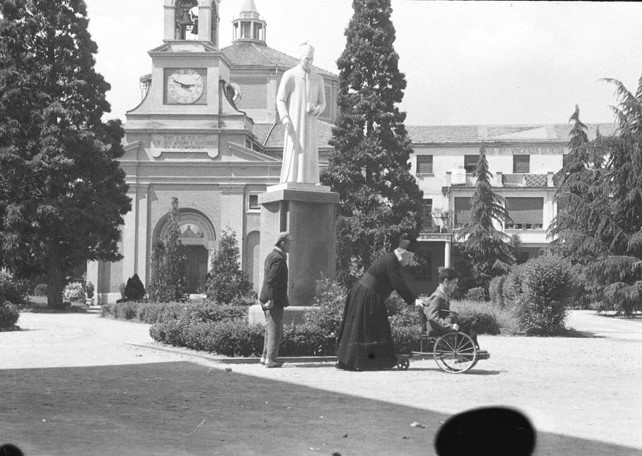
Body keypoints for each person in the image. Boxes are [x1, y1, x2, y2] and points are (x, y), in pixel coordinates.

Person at [336, 234, 425, 371]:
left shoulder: (390, 260)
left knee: (362, 328)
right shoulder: (391, 261)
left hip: (365, 294)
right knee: (372, 328)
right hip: (368, 296)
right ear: (403, 254)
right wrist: (414, 300)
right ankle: (366, 362)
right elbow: (398, 283)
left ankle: (351, 360)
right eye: (410, 257)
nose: (410, 261)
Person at [276, 41, 326, 184]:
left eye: (311, 60)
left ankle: (310, 180)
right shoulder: (290, 75)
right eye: (306, 59)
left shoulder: (318, 79)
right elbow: (280, 99)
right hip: (294, 121)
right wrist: (285, 117)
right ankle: (292, 179)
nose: (309, 62)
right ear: (300, 58)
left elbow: (323, 103)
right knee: (295, 148)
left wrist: (318, 109)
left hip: (310, 123)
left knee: (309, 149)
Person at [423, 268, 479, 348]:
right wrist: (450, 326)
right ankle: (467, 349)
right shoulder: (437, 297)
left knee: (470, 319)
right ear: (446, 282)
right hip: (438, 327)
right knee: (469, 320)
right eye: (455, 283)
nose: (456, 286)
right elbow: (433, 318)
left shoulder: (444, 295)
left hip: (446, 321)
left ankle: (469, 348)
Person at [259, 233, 292, 368]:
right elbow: (272, 280)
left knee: (269, 329)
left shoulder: (271, 255)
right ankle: (270, 360)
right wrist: (271, 298)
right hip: (274, 298)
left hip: (267, 297)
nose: (291, 246)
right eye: (290, 243)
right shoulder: (278, 258)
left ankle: (264, 356)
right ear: (282, 243)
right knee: (275, 329)